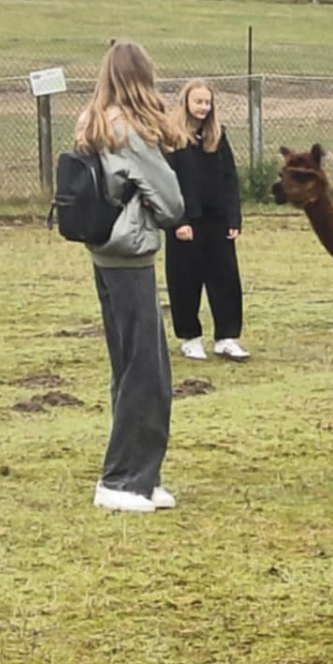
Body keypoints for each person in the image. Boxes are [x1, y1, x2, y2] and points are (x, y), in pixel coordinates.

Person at [75, 42, 186, 513]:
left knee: (129, 368)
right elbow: (172, 202)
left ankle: (142, 476)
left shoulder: (93, 122)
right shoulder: (130, 131)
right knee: (148, 373)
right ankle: (120, 479)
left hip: (104, 254)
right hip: (131, 257)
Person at [165, 79, 247, 362]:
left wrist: (233, 217)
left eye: (207, 102)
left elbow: (229, 178)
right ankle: (190, 337)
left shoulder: (218, 136)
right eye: (198, 101)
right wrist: (179, 222)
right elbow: (165, 182)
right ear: (186, 102)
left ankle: (227, 337)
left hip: (217, 220)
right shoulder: (171, 137)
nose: (203, 107)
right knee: (185, 280)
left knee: (225, 279)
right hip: (186, 222)